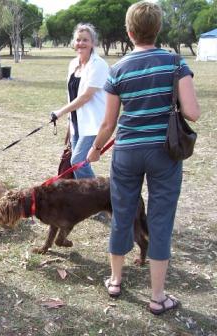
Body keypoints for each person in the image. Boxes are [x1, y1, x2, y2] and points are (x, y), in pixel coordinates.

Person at [86, 1, 200, 315]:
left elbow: (108, 124)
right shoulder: (175, 63)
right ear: (158, 28)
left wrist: (95, 148)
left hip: (126, 152)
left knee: (122, 214)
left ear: (129, 31)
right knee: (160, 221)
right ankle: (158, 296)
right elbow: (193, 112)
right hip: (164, 152)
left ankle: (115, 280)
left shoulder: (117, 69)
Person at [50, 23, 109, 180]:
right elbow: (72, 94)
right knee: (76, 162)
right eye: (78, 40)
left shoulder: (99, 65)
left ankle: (97, 194)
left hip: (93, 123)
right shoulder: (73, 64)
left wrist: (60, 112)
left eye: (85, 40)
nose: (81, 43)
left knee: (78, 161)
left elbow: (86, 96)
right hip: (77, 123)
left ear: (93, 43)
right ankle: (84, 198)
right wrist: (70, 123)